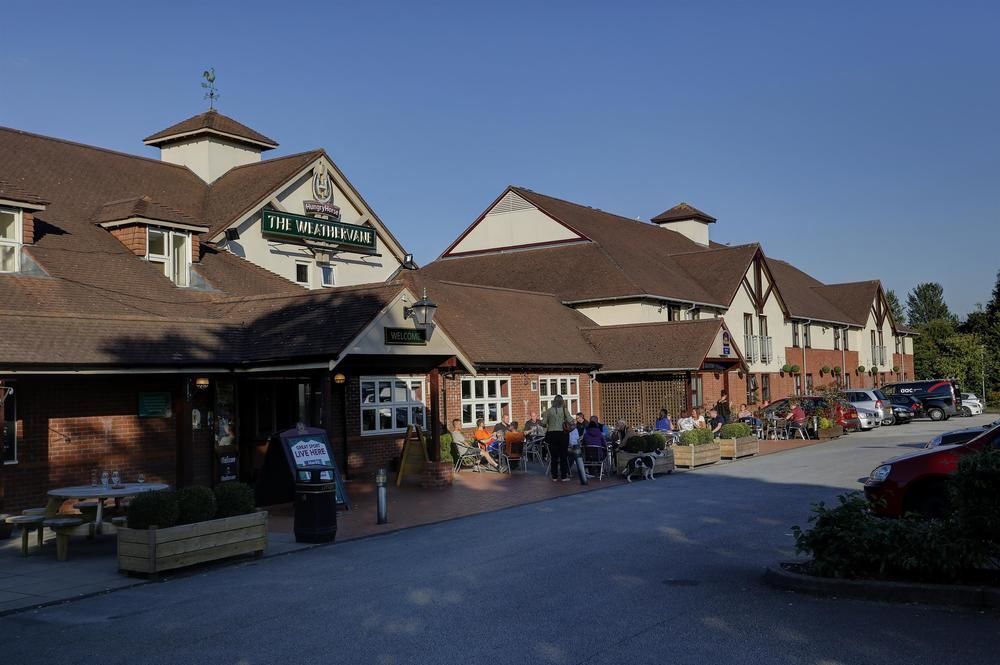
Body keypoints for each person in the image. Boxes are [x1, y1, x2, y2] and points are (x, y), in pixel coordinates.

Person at [542, 395, 574, 481]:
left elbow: (543, 423)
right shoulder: (564, 410)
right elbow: (571, 421)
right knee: (563, 455)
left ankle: (554, 476)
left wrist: (549, 423)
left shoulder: (548, 411)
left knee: (553, 456)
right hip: (562, 434)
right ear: (562, 401)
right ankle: (563, 476)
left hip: (551, 434)